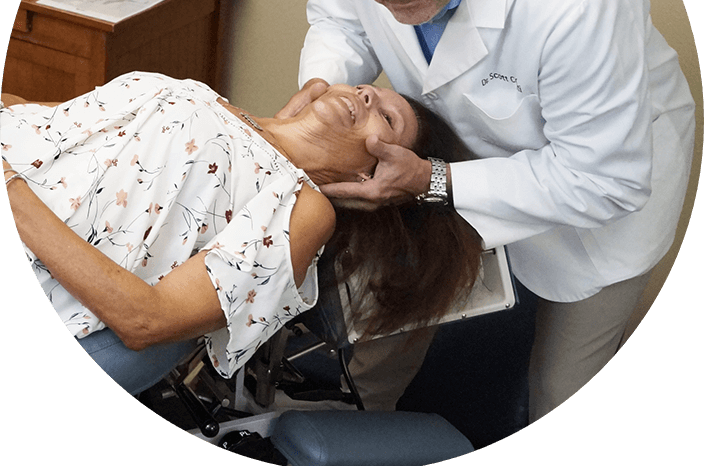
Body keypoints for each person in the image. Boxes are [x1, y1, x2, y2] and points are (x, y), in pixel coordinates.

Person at [279, 0, 696, 420]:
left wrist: (434, 182)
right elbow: (340, 24)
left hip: (601, 193)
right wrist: (321, 102)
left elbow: (605, 180)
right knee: (401, 315)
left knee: (560, 384)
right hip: (451, 160)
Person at [1, 71, 482, 396]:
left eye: (387, 118)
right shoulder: (212, 98)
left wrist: (11, 187)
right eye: (367, 89)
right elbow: (53, 124)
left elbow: (146, 320)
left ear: (375, 178)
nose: (366, 95)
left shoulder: (300, 205)